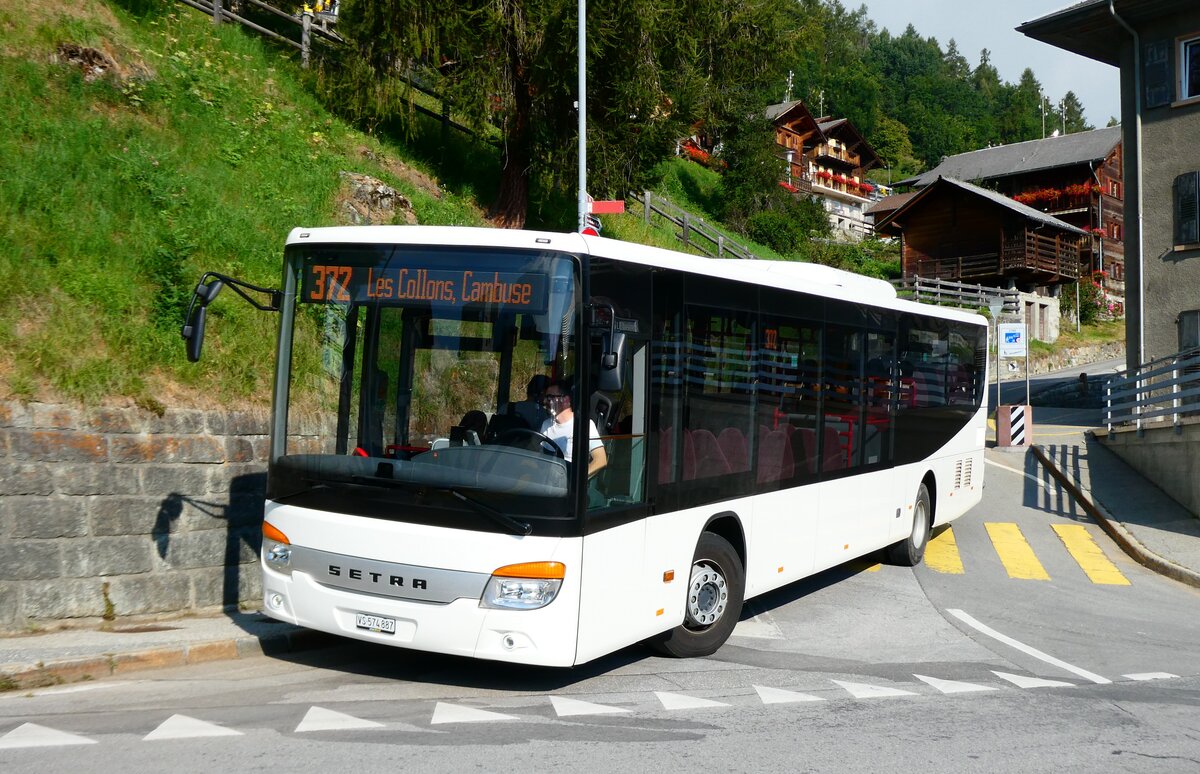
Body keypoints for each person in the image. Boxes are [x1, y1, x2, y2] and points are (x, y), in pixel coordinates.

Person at [539, 380, 607, 478]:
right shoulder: (546, 425)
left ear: (566, 400)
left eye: (550, 397)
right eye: (546, 398)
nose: (546, 402)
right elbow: (540, 457)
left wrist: (576, 481)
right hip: (547, 482)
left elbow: (600, 460)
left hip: (570, 484)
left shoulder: (584, 425)